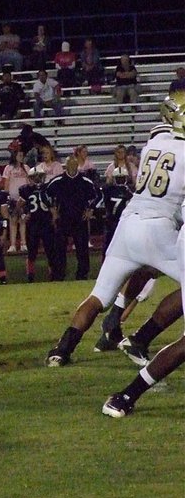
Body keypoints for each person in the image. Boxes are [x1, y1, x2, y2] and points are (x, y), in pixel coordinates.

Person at [45, 94, 185, 367]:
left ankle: (62, 350)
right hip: (157, 227)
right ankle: (141, 339)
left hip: (127, 224)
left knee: (98, 296)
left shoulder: (154, 142)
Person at [45, 156, 98, 282]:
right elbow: (44, 193)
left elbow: (97, 195)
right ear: (66, 166)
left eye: (75, 164)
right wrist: (51, 208)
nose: (73, 167)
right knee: (59, 249)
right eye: (70, 164)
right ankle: (59, 275)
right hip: (63, 219)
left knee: (82, 248)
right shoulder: (58, 181)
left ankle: (82, 275)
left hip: (80, 219)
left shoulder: (85, 181)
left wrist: (91, 209)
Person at [17, 166, 55, 282]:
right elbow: (19, 206)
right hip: (33, 223)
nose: (38, 179)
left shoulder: (48, 188)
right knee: (32, 251)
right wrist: (23, 214)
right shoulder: (25, 190)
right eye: (35, 177)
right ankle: (30, 274)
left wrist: (54, 217)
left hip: (46, 221)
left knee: (50, 250)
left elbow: (54, 205)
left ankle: (53, 273)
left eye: (40, 177)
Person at [1, 149, 30, 254]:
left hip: (23, 199)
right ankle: (12, 244)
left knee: (22, 221)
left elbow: (29, 182)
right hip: (13, 198)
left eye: (22, 155)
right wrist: (6, 196)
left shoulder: (26, 168)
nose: (21, 157)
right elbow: (6, 183)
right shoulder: (9, 168)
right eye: (19, 155)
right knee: (12, 221)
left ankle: (23, 243)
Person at [101, 167, 133, 256]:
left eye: (122, 177)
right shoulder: (109, 189)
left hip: (123, 221)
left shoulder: (129, 190)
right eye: (119, 178)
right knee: (109, 244)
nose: (121, 180)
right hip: (113, 220)